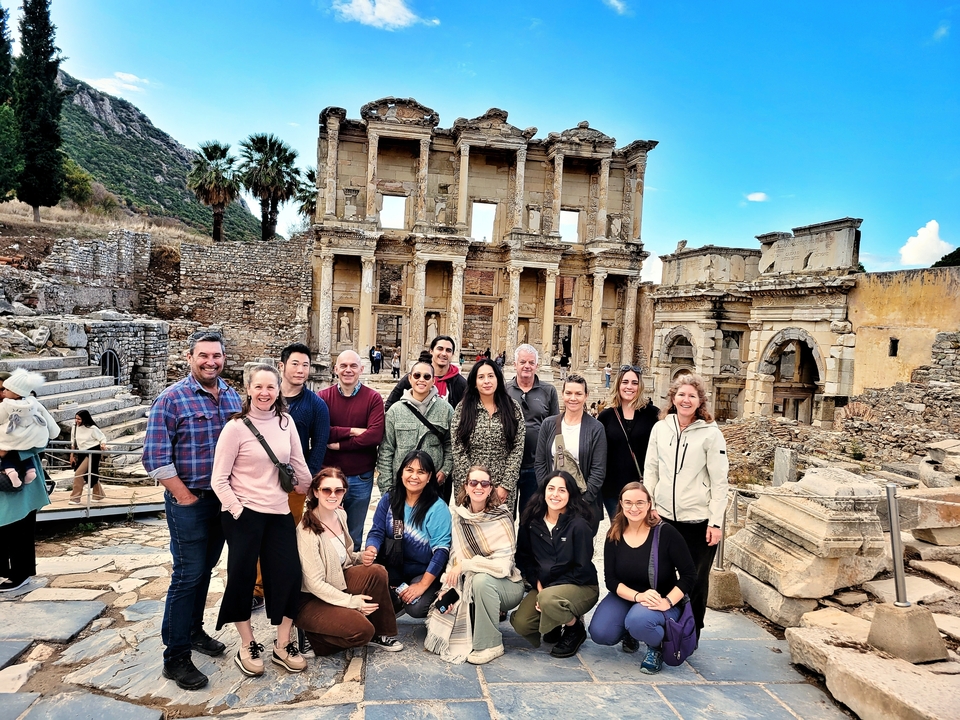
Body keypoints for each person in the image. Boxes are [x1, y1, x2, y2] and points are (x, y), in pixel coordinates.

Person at [144, 330, 244, 690]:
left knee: (205, 570)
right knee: (187, 575)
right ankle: (176, 656)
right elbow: (155, 457)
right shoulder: (172, 399)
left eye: (216, 356)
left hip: (222, 501)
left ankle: (193, 630)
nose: (210, 362)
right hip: (190, 501)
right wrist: (185, 497)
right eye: (203, 356)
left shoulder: (232, 396)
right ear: (190, 357)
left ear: (223, 358)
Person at [211, 364, 312, 677]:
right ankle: (248, 643)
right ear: (249, 389)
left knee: (289, 575)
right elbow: (219, 479)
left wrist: (312, 493)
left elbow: (298, 465)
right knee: (242, 577)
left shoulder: (286, 422)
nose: (265, 393)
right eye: (259, 387)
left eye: (271, 387)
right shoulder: (236, 428)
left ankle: (282, 645)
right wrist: (239, 510)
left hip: (279, 511)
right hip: (244, 514)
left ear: (278, 390)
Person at [643, 373, 729, 640]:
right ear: (673, 397)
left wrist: (715, 522)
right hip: (665, 517)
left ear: (700, 400)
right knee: (663, 577)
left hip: (698, 521)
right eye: (681, 394)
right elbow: (651, 470)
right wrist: (651, 505)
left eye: (692, 395)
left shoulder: (710, 434)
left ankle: (692, 633)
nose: (686, 399)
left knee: (695, 581)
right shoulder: (661, 428)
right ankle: (664, 630)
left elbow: (719, 481)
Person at [252, 343, 330, 611]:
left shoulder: (316, 405)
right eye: (295, 364)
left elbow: (319, 445)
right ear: (282, 366)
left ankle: (288, 584)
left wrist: (306, 483)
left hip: (292, 484)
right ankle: (259, 587)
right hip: (259, 482)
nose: (300, 370)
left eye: (305, 365)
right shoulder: (265, 399)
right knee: (259, 534)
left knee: (289, 536)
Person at [588, 482, 697, 672]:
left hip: (661, 599)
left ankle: (656, 647)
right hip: (629, 597)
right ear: (621, 504)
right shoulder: (614, 534)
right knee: (600, 632)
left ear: (649, 504)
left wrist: (668, 602)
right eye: (628, 502)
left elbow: (689, 574)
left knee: (638, 621)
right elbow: (611, 581)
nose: (634, 508)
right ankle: (630, 632)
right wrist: (638, 597)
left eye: (640, 502)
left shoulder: (666, 533)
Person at [296, 468, 404, 656]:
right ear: (315, 492)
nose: (333, 495)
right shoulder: (307, 531)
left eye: (339, 490)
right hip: (312, 600)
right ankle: (313, 637)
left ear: (345, 492)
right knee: (362, 630)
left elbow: (344, 555)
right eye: (326, 490)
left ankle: (381, 632)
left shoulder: (340, 515)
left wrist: (360, 557)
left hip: (338, 581)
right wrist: (351, 602)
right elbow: (314, 583)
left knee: (377, 571)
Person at [425, 466, 524, 665]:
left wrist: (467, 565)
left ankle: (491, 644)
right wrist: (448, 588)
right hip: (469, 586)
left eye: (484, 483)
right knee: (457, 600)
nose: (479, 487)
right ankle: (477, 622)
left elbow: (504, 566)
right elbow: (454, 560)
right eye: (473, 483)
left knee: (480, 580)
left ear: (490, 489)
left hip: (507, 586)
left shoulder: (503, 517)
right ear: (466, 487)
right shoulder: (458, 518)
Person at [510, 470, 599, 658]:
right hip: (545, 587)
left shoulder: (579, 525)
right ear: (543, 491)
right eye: (551, 489)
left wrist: (547, 594)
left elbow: (581, 568)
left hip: (581, 585)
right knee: (521, 624)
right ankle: (554, 620)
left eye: (562, 490)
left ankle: (574, 628)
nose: (555, 495)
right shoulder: (531, 521)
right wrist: (539, 586)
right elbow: (524, 558)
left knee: (549, 600)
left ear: (571, 495)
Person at [362, 450, 452, 619]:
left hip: (423, 569)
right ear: (401, 471)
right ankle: (396, 599)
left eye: (421, 472)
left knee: (417, 607)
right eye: (409, 470)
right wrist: (371, 548)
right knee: (367, 579)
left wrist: (422, 585)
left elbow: (441, 551)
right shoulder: (389, 499)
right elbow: (377, 531)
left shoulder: (437, 507)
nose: (414, 476)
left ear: (429, 476)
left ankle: (405, 599)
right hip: (393, 565)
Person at [318, 350, 384, 551]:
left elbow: (374, 436)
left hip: (360, 477)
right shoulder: (322, 398)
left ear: (361, 369)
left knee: (354, 533)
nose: (348, 370)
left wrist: (340, 444)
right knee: (325, 530)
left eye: (353, 366)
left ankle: (351, 576)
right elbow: (322, 433)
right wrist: (353, 431)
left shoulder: (373, 398)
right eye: (344, 366)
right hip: (329, 477)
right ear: (336, 368)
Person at [0, 371, 57, 593]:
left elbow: (40, 441)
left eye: (4, 388)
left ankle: (20, 573)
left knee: (19, 527)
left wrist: (9, 451)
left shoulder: (27, 411)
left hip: (21, 479)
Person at [534, 374, 607, 534]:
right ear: (562, 394)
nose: (573, 398)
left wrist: (581, 502)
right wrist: (548, 494)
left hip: (583, 503)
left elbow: (598, 470)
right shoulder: (548, 425)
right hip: (552, 501)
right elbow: (540, 463)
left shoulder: (596, 428)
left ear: (586, 396)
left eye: (578, 394)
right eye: (568, 393)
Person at [451, 359, 524, 515]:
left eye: (490, 376)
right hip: (469, 485)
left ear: (498, 378)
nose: (486, 381)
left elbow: (517, 447)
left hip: (501, 484)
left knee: (498, 533)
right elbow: (458, 449)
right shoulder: (463, 409)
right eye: (481, 377)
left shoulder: (512, 408)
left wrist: (506, 485)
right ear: (474, 382)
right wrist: (472, 483)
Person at [377, 360, 453, 497]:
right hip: (401, 485)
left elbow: (451, 444)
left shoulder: (446, 410)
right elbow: (386, 449)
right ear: (410, 379)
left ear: (433, 381)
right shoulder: (395, 411)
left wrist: (445, 470)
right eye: (417, 375)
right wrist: (386, 488)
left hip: (434, 485)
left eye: (427, 376)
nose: (421, 380)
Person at [596, 365, 659, 521]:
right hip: (613, 489)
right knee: (619, 531)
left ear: (640, 386)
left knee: (641, 533)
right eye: (625, 382)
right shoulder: (606, 416)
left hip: (643, 487)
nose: (629, 387)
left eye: (634, 383)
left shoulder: (653, 414)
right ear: (618, 384)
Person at [505, 344, 559, 519]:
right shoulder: (505, 391)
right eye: (522, 362)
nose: (526, 366)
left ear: (536, 365)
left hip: (536, 465)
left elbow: (556, 428)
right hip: (509, 464)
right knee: (504, 515)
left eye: (531, 362)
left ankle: (526, 547)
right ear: (515, 364)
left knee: (531, 517)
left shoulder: (548, 391)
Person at [0, 368, 59, 490]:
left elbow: (48, 434)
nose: (2, 393)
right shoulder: (31, 405)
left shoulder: (26, 406)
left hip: (22, 473)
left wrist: (13, 448)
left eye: (3, 389)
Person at [385, 335, 467, 412]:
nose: (444, 353)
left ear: (452, 354)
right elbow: (390, 405)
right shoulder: (415, 378)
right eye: (440, 349)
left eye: (448, 350)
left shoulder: (461, 384)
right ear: (431, 351)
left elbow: (467, 412)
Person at [69, 410, 108, 504]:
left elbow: (102, 437)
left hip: (92, 451)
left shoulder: (92, 428)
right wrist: (71, 455)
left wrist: (103, 444)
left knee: (79, 473)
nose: (77, 420)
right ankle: (98, 494)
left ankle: (75, 498)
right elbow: (73, 442)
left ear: (84, 419)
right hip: (81, 452)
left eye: (79, 419)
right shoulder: (74, 427)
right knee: (90, 472)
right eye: (76, 418)